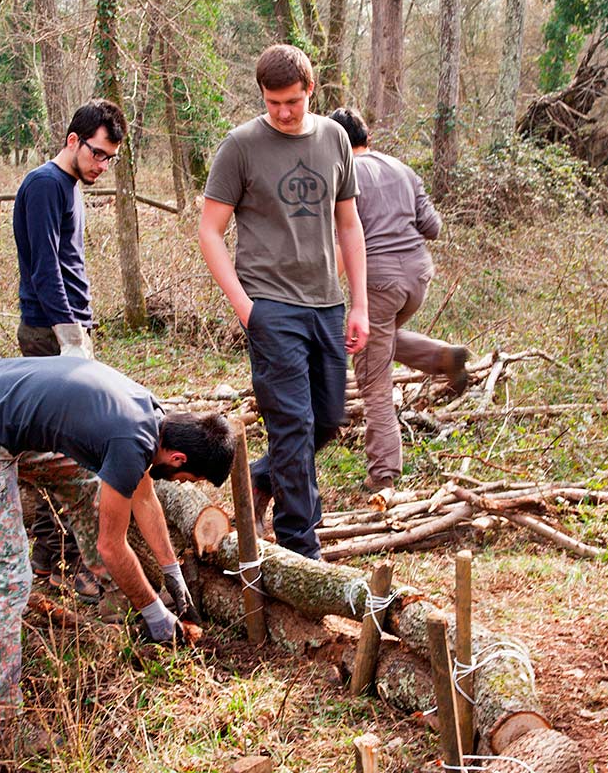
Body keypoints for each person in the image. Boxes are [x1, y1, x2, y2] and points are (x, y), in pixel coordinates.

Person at [0, 355, 234, 756]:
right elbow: (112, 544)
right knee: (9, 576)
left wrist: (172, 571)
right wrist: (155, 613)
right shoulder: (132, 440)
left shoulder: (152, 416)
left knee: (90, 485)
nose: (181, 482)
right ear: (179, 459)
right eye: (188, 478)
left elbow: (144, 499)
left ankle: (115, 608)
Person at [198, 44, 369, 560]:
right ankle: (301, 546)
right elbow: (209, 230)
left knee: (328, 418)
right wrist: (244, 306)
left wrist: (358, 303)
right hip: (270, 305)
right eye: (273, 103)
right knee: (292, 424)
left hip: (326, 303)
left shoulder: (336, 139)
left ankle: (258, 478)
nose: (283, 112)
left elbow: (348, 224)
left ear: (310, 91)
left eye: (292, 101)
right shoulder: (241, 147)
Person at [12, 99, 128, 602]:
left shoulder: (73, 188)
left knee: (67, 448)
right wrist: (70, 339)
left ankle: (50, 556)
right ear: (73, 140)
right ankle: (64, 561)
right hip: (49, 336)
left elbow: (70, 265)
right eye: (98, 154)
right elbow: (44, 270)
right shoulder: (44, 185)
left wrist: (83, 329)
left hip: (72, 331)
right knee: (63, 452)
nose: (102, 165)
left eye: (109, 159)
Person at [327, 107, 470, 491]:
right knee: (378, 337)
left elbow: (341, 237)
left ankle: (383, 475)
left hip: (379, 281)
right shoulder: (403, 169)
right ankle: (442, 356)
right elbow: (433, 227)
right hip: (418, 276)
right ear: (367, 138)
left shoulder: (342, 175)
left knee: (373, 381)